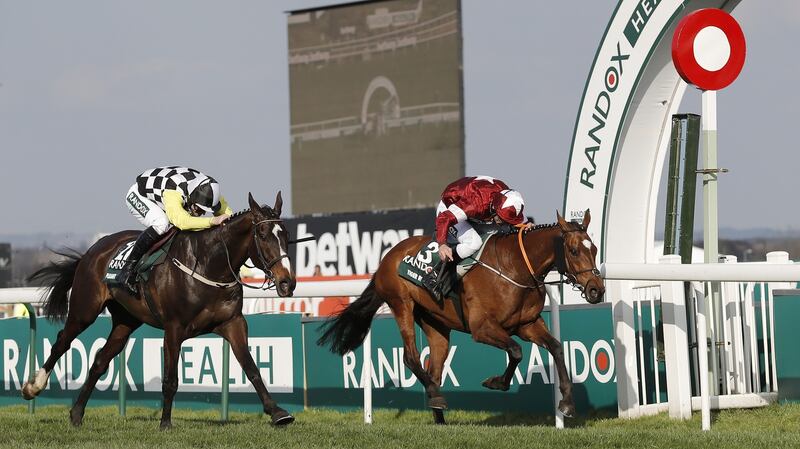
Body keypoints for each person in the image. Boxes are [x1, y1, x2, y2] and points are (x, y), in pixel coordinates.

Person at [120, 166, 233, 293]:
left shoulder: (210, 193)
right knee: (162, 223)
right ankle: (127, 270)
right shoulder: (173, 190)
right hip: (139, 195)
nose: (202, 213)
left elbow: (230, 217)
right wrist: (213, 221)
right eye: (200, 209)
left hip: (169, 191)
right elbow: (182, 222)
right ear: (192, 197)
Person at [422, 175, 531, 299]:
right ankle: (437, 273)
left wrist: (526, 225)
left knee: (503, 234)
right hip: (449, 209)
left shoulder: (509, 199)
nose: (503, 221)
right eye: (502, 218)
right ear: (495, 208)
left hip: (477, 213)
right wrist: (442, 244)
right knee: (474, 243)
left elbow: (520, 221)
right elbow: (444, 218)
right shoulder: (476, 203)